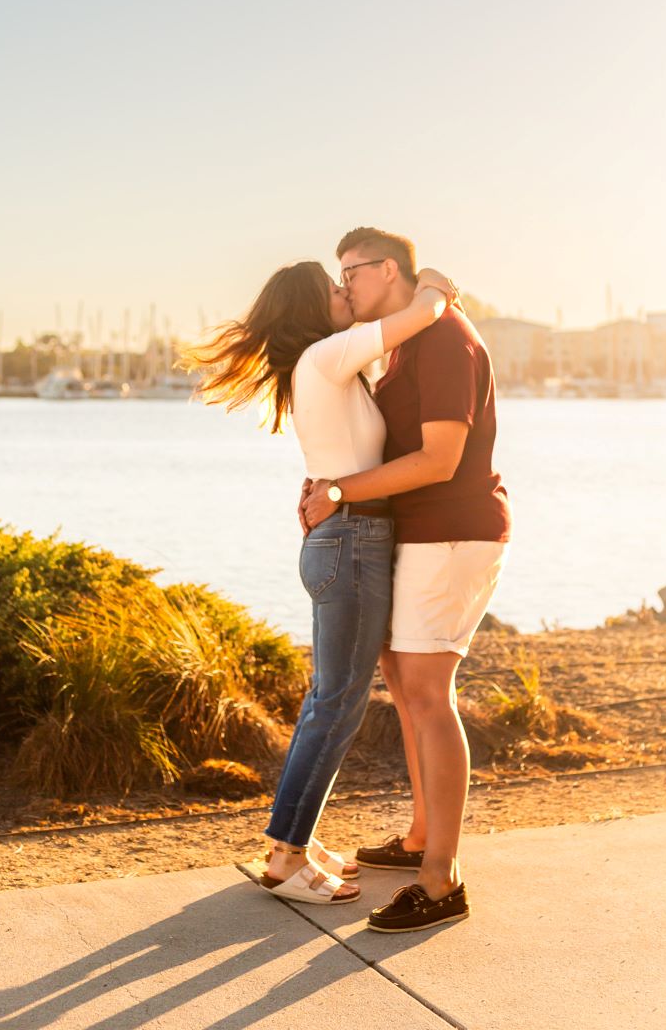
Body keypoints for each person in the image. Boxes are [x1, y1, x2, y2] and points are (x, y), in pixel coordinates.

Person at [180, 258, 453, 905]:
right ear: (312, 307)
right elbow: (424, 313)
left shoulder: (330, 365)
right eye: (334, 288)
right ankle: (286, 856)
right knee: (336, 704)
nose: (344, 292)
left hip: (347, 540)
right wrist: (437, 282)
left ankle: (291, 840)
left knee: (329, 701)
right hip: (352, 544)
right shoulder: (328, 355)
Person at [302, 227, 511, 932]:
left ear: (387, 270)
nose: (346, 288)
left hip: (453, 531)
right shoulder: (408, 340)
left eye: (352, 274)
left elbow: (439, 459)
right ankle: (421, 837)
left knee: (426, 694)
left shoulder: (445, 337)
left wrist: (341, 492)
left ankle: (441, 877)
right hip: (418, 535)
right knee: (407, 684)